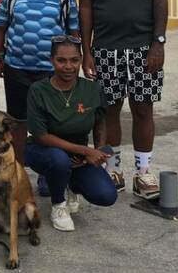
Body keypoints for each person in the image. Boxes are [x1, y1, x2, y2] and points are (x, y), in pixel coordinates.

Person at [74, 0, 171, 199]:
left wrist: (158, 42)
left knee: (143, 110)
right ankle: (112, 168)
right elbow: (85, 8)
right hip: (105, 49)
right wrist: (86, 51)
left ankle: (143, 173)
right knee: (108, 112)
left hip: (144, 48)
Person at [0, 0, 79, 193]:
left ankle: (49, 173)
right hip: (17, 69)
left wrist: (74, 62)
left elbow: (73, 32)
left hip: (53, 74)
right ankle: (18, 172)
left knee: (51, 126)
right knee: (18, 123)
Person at [24, 37, 117, 232]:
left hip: (78, 158)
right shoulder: (38, 90)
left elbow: (100, 120)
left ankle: (69, 185)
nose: (68, 66)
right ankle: (59, 205)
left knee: (107, 195)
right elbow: (40, 135)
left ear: (81, 60)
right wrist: (84, 150)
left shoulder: (92, 89)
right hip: (43, 151)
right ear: (51, 60)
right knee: (59, 160)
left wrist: (98, 150)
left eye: (74, 60)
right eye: (61, 60)